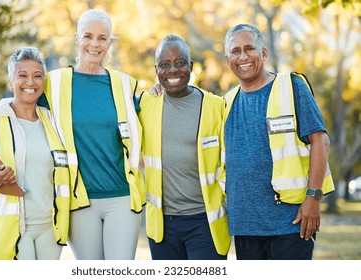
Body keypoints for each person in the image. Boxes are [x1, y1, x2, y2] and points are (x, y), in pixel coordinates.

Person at [0, 9, 145, 260]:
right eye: (88, 36)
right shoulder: (54, 82)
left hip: (122, 197)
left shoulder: (124, 84)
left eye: (102, 38)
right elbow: (21, 97)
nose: (95, 44)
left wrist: (160, 89)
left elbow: (148, 111)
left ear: (110, 42)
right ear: (77, 38)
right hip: (78, 200)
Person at [219, 23, 335, 260]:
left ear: (263, 53)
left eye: (249, 48)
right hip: (246, 226)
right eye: (235, 51)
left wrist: (313, 198)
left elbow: (320, 142)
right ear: (227, 59)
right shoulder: (226, 102)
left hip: (291, 223)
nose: (243, 56)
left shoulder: (291, 87)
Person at [0, 46, 70, 260]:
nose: (30, 82)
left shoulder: (55, 122)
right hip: (12, 227)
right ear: (10, 81)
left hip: (50, 228)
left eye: (37, 76)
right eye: (22, 75)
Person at [139, 34, 231, 260]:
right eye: (164, 65)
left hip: (204, 223)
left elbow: (229, 163)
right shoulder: (144, 104)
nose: (172, 71)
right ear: (156, 69)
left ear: (190, 67)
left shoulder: (215, 106)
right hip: (162, 227)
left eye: (180, 63)